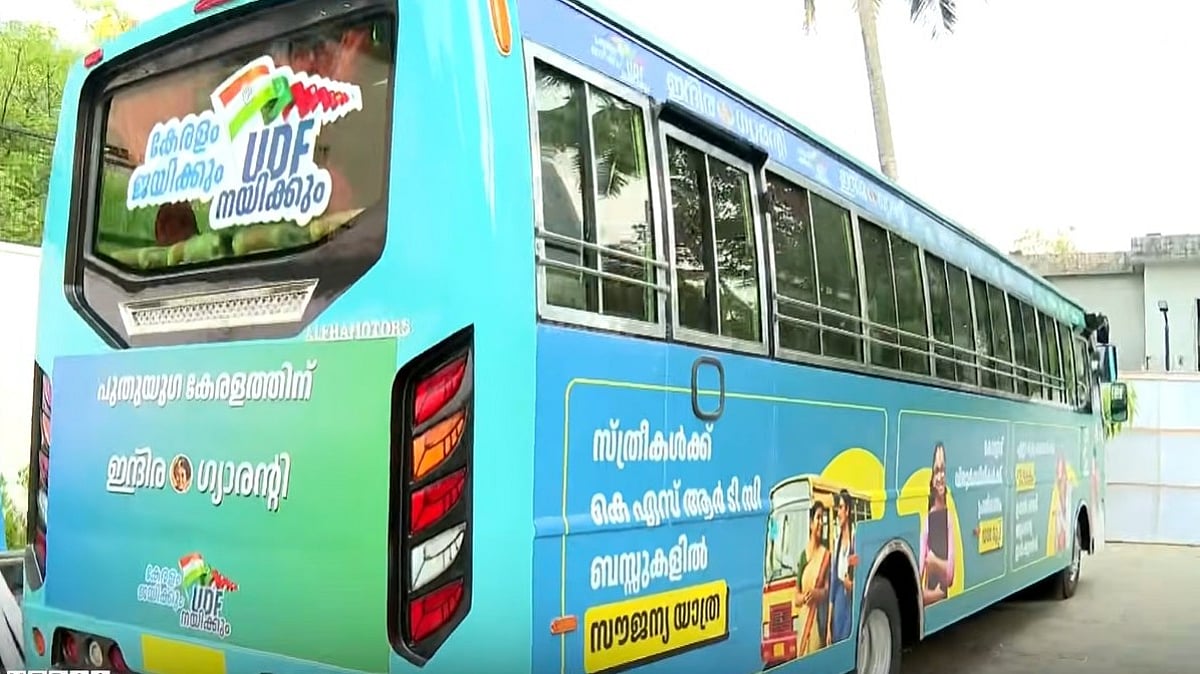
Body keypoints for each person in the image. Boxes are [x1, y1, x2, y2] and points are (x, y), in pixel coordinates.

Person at [921, 443, 955, 606]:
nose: (940, 477)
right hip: (931, 595)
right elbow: (921, 566)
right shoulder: (928, 519)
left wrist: (934, 562)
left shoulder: (949, 517)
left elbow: (950, 575)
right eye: (936, 471)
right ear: (931, 477)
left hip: (940, 598)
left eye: (943, 470)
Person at [794, 501, 830, 656]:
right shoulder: (803, 556)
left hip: (819, 620)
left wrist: (817, 594)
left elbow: (828, 591)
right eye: (818, 518)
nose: (821, 523)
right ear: (810, 523)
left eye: (823, 519)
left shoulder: (826, 555)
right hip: (804, 623)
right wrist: (804, 597)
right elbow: (796, 598)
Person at [826, 490, 856, 644]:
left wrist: (852, 585)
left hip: (851, 601)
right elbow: (833, 583)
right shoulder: (837, 542)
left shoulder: (855, 540)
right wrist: (828, 626)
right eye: (837, 508)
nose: (838, 513)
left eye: (841, 507)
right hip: (839, 600)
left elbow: (860, 572)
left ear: (848, 510)